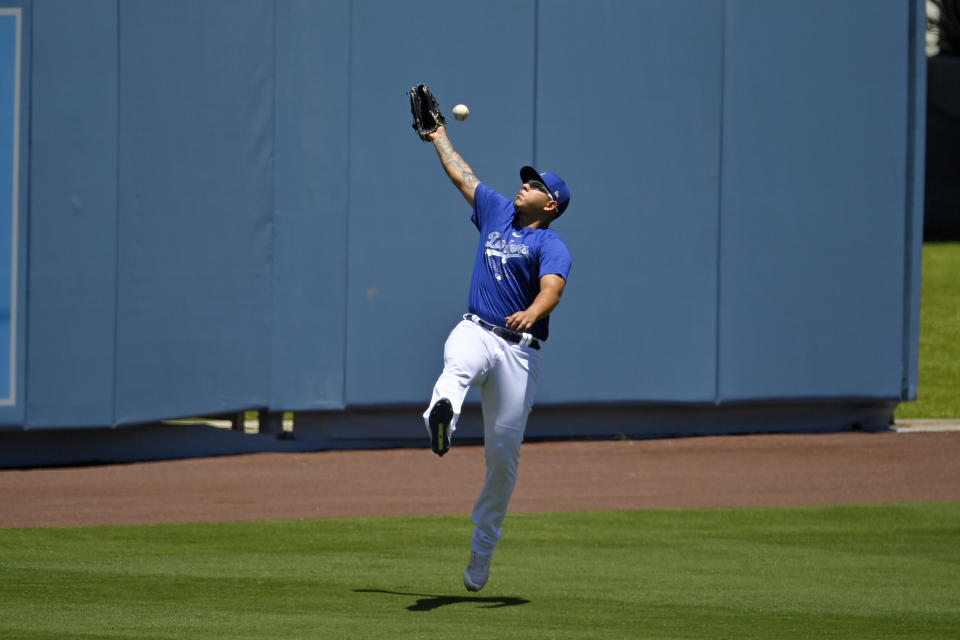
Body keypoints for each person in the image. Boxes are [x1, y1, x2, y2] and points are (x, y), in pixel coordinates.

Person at [419, 124, 572, 592]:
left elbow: (553, 289)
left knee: (503, 461)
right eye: (526, 179)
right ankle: (441, 416)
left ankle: (481, 553)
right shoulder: (497, 211)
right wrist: (437, 134)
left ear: (549, 205)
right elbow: (462, 175)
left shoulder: (550, 244)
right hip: (479, 329)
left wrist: (533, 310)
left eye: (535, 184)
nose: (523, 183)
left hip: (518, 354)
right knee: (457, 360)